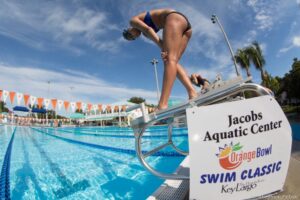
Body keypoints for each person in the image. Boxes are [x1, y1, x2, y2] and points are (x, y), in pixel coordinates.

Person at [123, 8, 197, 110]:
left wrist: (163, 48)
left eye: (130, 34)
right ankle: (192, 92)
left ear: (129, 28)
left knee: (169, 60)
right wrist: (164, 48)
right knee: (173, 62)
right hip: (186, 28)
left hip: (174, 18)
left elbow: (148, 29)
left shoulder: (133, 21)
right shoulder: (144, 34)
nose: (134, 36)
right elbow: (152, 35)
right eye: (133, 38)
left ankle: (162, 104)